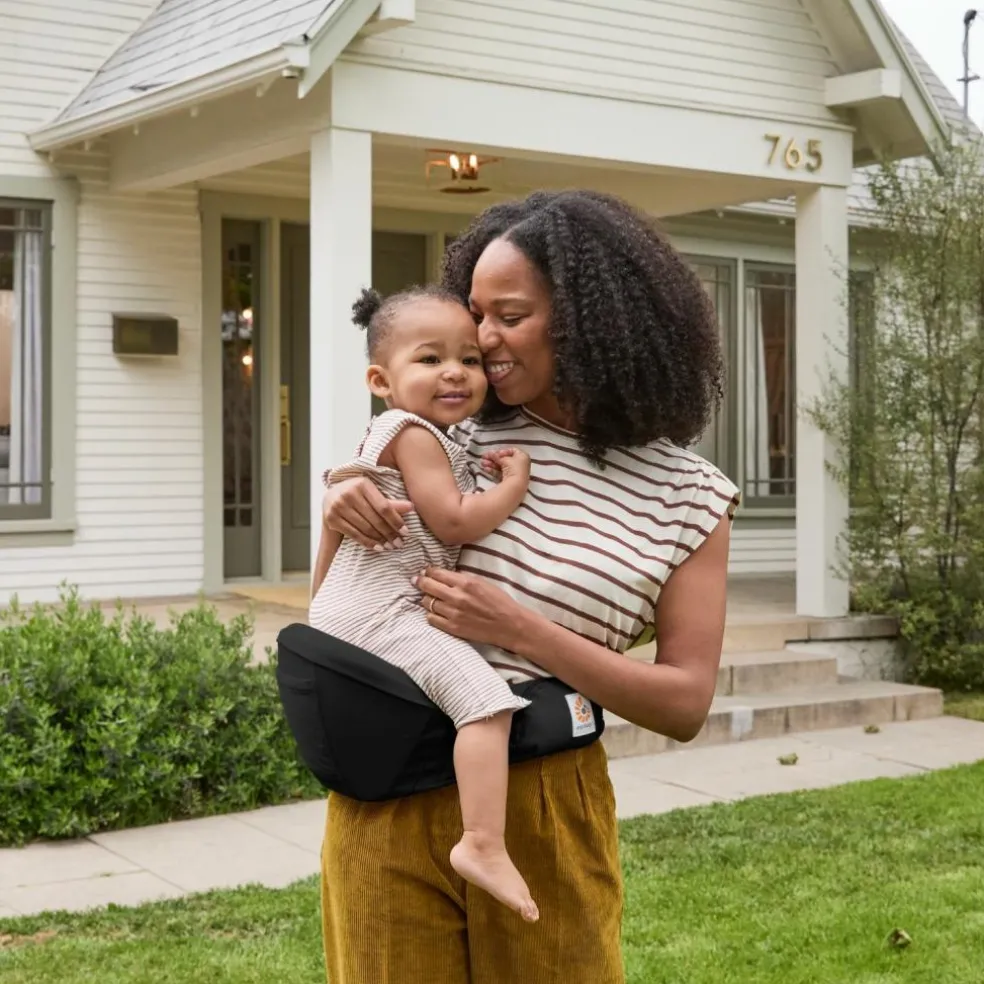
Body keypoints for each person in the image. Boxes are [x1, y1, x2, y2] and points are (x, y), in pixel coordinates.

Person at [316, 189, 740, 984]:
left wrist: (521, 630)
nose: (479, 340)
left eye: (508, 315)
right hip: (387, 789)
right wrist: (340, 508)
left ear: (589, 321)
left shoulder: (690, 496)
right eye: (475, 313)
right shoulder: (448, 428)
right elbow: (350, 587)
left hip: (545, 802)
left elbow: (683, 702)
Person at [309, 284, 539, 922]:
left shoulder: (432, 437)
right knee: (488, 703)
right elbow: (457, 522)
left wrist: (317, 610)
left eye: (468, 359)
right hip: (382, 611)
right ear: (381, 379)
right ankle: (482, 843)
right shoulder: (411, 433)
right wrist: (514, 486)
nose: (456, 373)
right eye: (430, 359)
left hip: (362, 607)